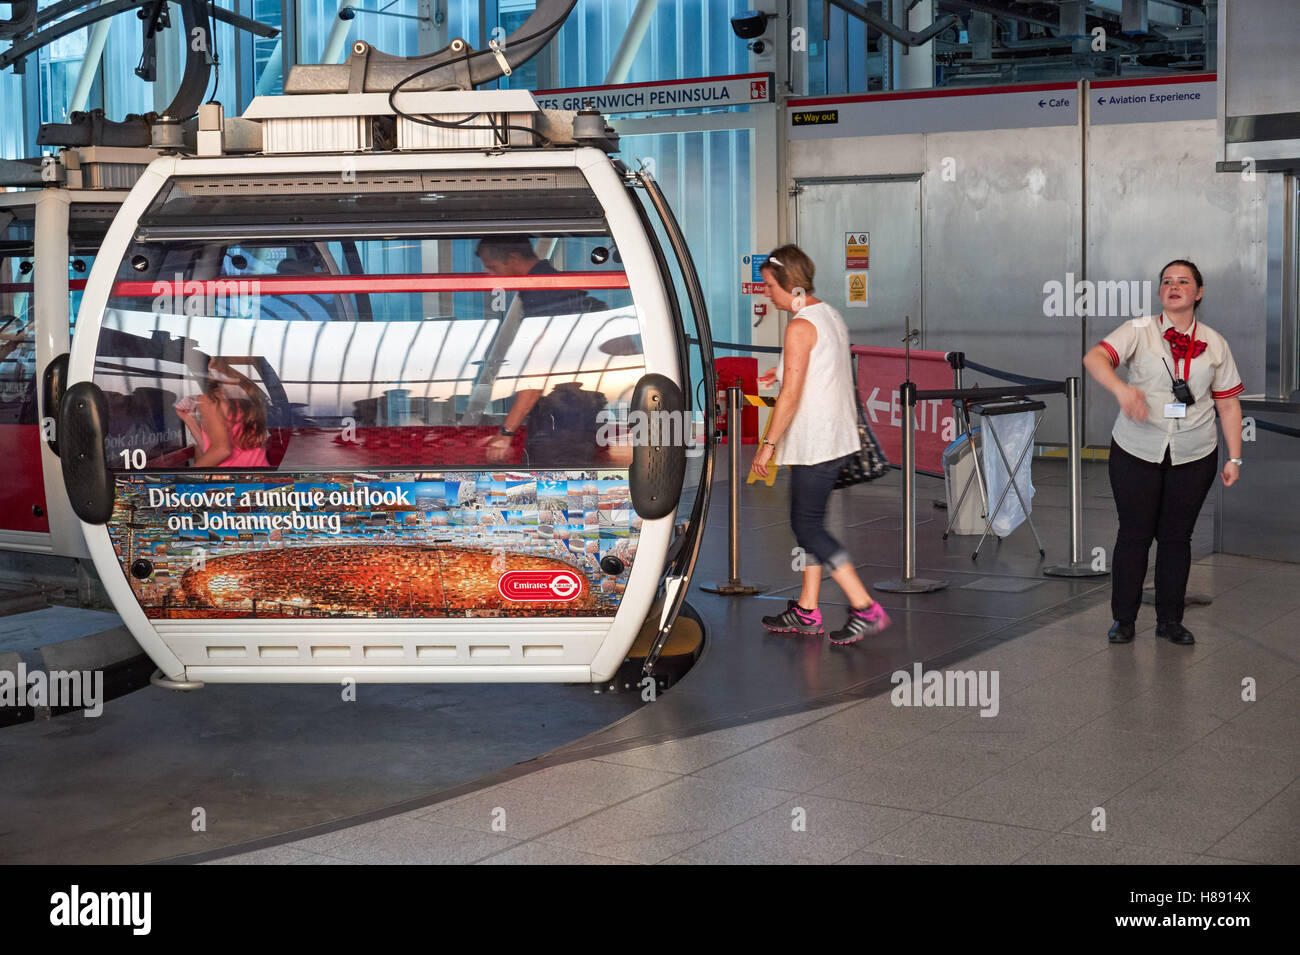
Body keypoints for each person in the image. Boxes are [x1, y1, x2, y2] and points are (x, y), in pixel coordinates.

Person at [1083, 259, 1244, 647]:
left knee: (1176, 538)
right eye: (1167, 282)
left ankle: (1170, 621)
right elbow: (1095, 358)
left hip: (1194, 452)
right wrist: (1123, 391)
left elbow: (1228, 404)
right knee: (1134, 535)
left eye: (1183, 281)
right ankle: (1123, 619)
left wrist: (1234, 457)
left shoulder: (1215, 342)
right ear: (1160, 292)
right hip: (1136, 448)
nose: (1174, 287)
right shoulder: (1138, 330)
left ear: (1198, 292)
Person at [750, 244, 891, 645]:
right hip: (838, 438)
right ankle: (807, 609)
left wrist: (767, 446)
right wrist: (783, 370)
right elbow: (820, 367)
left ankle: (866, 608)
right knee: (812, 523)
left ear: (787, 284)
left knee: (807, 526)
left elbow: (792, 397)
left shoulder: (798, 327)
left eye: (768, 285)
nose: (766, 292)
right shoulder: (828, 315)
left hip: (816, 442)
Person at [175, 356, 271, 468]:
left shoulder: (211, 399)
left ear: (224, 365)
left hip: (230, 482)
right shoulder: (251, 399)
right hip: (259, 479)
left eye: (213, 360)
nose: (209, 366)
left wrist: (189, 479)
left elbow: (221, 450)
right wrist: (189, 419)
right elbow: (212, 449)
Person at [474, 237, 604, 318]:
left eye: (493, 267)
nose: (490, 274)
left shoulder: (541, 297)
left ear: (514, 259)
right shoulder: (550, 287)